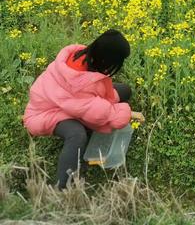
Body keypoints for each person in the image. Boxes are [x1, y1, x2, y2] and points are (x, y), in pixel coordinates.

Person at [23, 29, 145, 189]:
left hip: (68, 101)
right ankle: (62, 189)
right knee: (77, 134)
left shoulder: (84, 57)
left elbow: (94, 95)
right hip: (44, 112)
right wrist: (128, 113)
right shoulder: (77, 84)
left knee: (124, 90)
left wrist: (114, 103)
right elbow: (101, 113)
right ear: (105, 59)